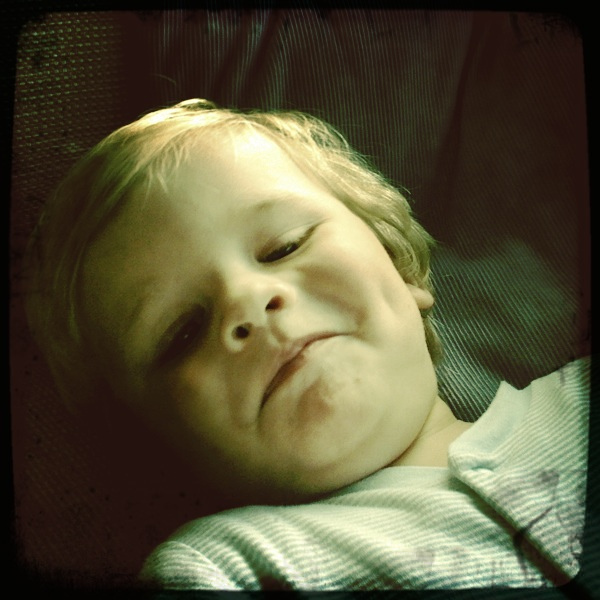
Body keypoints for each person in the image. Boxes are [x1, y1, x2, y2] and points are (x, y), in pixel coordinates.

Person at [24, 99, 589, 590]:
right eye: (183, 333)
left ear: (400, 266)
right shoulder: (225, 567)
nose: (248, 301)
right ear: (157, 448)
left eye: (285, 246)